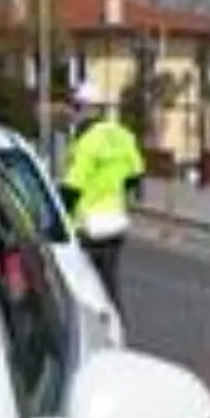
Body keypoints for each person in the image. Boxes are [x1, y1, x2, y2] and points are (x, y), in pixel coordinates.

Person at [60, 82, 146, 309]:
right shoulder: (123, 135)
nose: (72, 113)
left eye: (75, 107)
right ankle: (116, 328)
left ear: (86, 109)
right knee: (109, 286)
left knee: (82, 289)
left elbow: (72, 187)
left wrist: (59, 216)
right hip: (115, 224)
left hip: (86, 226)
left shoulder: (86, 141)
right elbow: (136, 174)